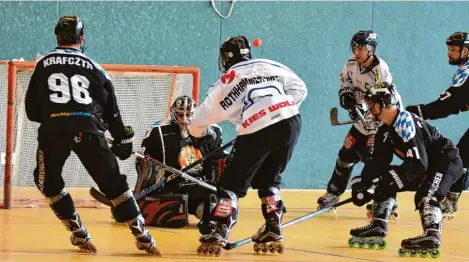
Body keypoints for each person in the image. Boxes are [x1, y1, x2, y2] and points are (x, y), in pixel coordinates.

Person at [25, 16, 161, 255]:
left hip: (54, 131)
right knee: (114, 185)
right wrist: (122, 139)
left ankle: (77, 230)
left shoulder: (43, 63)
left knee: (47, 182)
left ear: (57, 36)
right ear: (82, 38)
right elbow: (112, 112)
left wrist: (57, 117)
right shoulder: (96, 68)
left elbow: (32, 111)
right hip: (89, 129)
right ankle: (144, 236)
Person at [187, 36, 307, 256]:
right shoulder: (270, 64)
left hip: (257, 126)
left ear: (225, 58)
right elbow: (300, 89)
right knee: (268, 177)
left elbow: (197, 122)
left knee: (231, 183)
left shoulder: (225, 81)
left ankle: (221, 227)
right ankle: (273, 224)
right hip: (291, 121)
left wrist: (198, 137)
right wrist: (278, 112)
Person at [348, 83, 463, 258]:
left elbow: (418, 165)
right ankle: (378, 225)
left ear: (381, 104)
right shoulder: (385, 130)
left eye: (371, 105)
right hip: (426, 165)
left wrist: (387, 179)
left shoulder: (404, 121)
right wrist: (361, 183)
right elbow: (377, 163)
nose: (369, 109)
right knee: (384, 178)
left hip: (446, 160)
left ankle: (432, 235)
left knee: (427, 195)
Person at [317, 30, 400, 218]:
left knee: (375, 161)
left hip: (381, 122)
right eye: (354, 47)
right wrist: (347, 97)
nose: (356, 52)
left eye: (361, 48)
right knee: (345, 156)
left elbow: (384, 102)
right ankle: (333, 194)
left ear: (371, 49)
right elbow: (345, 81)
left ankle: (385, 201)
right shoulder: (351, 63)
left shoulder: (381, 70)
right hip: (362, 120)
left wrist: (371, 124)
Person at [129, 95, 226, 234]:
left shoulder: (211, 131)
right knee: (133, 212)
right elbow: (143, 161)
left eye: (189, 115)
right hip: (169, 187)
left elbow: (219, 158)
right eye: (180, 115)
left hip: (198, 185)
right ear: (173, 113)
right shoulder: (158, 130)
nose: (185, 120)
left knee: (214, 204)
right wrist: (151, 177)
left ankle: (207, 220)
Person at [406, 32, 469, 219]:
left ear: (465, 50)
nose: (448, 53)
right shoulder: (467, 69)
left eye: (453, 50)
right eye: (448, 49)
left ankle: (450, 201)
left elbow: (449, 105)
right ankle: (451, 200)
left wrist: (417, 111)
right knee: (461, 159)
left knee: (459, 160)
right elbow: (458, 104)